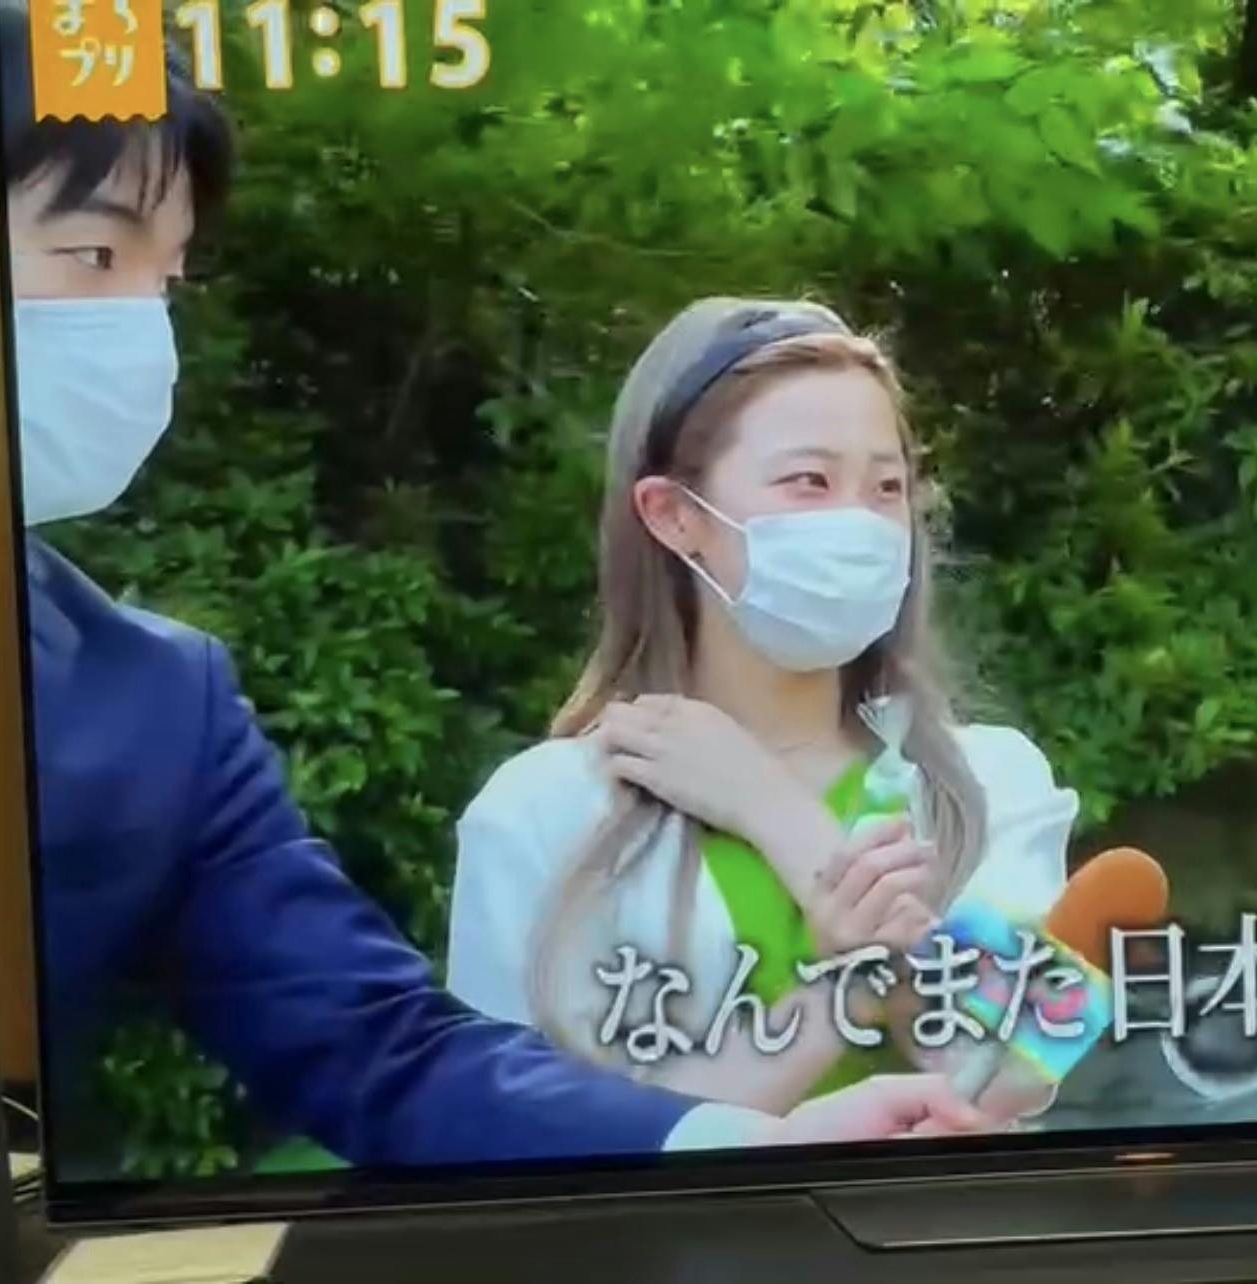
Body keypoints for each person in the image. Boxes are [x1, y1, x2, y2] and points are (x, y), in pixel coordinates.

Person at [0, 3, 981, 1171]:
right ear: (672, 514)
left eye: (165, 282)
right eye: (93, 257)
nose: (137, 336)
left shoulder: (157, 706)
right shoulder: (554, 811)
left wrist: (729, 1132)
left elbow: (382, 1054)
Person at [445, 299, 1080, 1126]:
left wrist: (777, 813)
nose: (858, 521)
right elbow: (505, 1138)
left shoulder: (987, 776)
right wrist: (833, 1000)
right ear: (674, 515)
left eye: (886, 487)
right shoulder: (545, 810)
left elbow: (1022, 1073)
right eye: (807, 482)